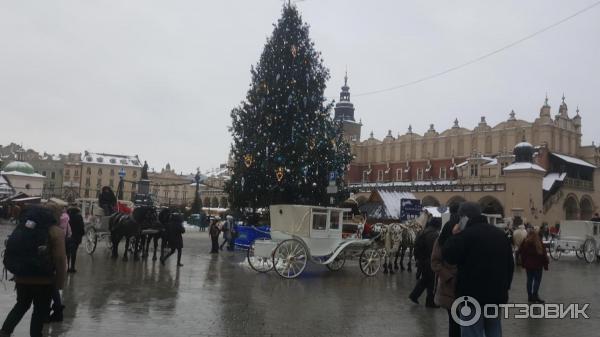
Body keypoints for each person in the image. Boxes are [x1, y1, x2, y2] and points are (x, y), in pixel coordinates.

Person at [442, 202, 514, 337]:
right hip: (496, 297)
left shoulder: (465, 236)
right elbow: (510, 265)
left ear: (464, 218)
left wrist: (454, 235)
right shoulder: (500, 235)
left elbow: (449, 256)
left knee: (471, 332)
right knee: (494, 331)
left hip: (471, 298)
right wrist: (504, 288)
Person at [1, 206, 67, 337]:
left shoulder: (24, 227)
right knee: (39, 311)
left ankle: (4, 332)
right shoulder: (55, 231)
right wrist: (59, 283)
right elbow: (60, 259)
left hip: (22, 277)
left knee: (21, 305)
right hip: (44, 280)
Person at [431, 203, 461, 337]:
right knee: (455, 320)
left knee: (458, 321)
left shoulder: (465, 238)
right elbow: (435, 262)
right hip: (449, 287)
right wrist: (447, 276)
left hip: (464, 285)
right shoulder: (441, 240)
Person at [409, 217, 442, 308]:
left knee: (425, 279)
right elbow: (433, 249)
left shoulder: (423, 231)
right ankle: (430, 302)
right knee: (431, 282)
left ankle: (414, 295)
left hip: (422, 260)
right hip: (428, 261)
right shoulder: (433, 234)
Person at [519, 228, 549, 304]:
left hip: (528, 265)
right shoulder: (538, 242)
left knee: (529, 280)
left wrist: (523, 263)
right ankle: (535, 295)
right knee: (537, 281)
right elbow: (544, 254)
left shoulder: (525, 242)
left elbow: (522, 253)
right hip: (538, 266)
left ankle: (530, 296)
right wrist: (545, 264)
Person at [66, 207, 85, 273]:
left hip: (68, 236)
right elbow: (81, 226)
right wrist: (82, 233)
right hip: (76, 237)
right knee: (74, 253)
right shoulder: (79, 217)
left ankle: (67, 267)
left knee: (68, 252)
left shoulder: (67, 217)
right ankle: (72, 267)